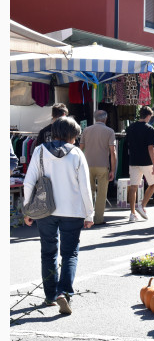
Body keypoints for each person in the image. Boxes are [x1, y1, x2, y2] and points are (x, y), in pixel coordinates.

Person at [23, 116, 94, 314]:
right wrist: (90, 214)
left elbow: (29, 182)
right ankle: (64, 293)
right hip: (73, 212)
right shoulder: (77, 154)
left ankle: (50, 296)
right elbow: (85, 188)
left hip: (45, 211)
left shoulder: (39, 151)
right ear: (73, 135)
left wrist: (28, 209)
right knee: (70, 253)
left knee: (48, 252)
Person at [80, 110, 116, 225]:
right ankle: (99, 219)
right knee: (101, 193)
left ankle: (87, 217)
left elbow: (80, 149)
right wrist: (113, 170)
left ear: (95, 118)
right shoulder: (110, 131)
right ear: (105, 119)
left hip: (87, 165)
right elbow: (113, 152)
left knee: (88, 191)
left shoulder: (86, 130)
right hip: (103, 165)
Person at [125, 106, 154, 222]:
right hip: (146, 161)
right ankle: (142, 206)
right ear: (148, 116)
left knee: (133, 187)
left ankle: (132, 213)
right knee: (153, 183)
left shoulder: (130, 127)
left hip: (133, 160)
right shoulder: (149, 128)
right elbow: (151, 148)